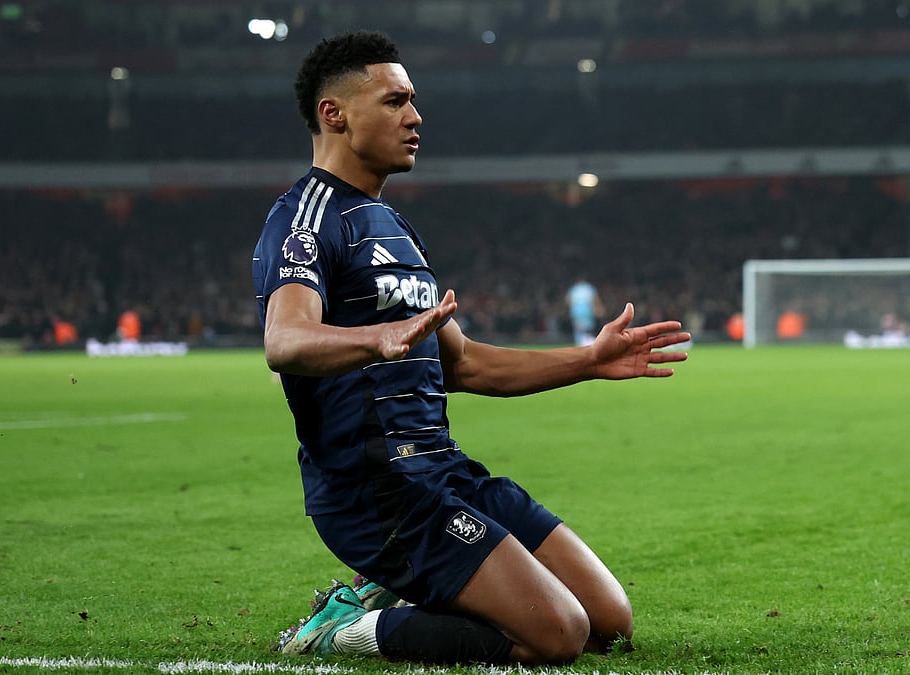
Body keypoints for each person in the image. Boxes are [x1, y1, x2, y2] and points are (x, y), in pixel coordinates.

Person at [251, 30, 691, 666]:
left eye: (413, 101)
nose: (415, 117)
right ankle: (347, 629)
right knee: (558, 635)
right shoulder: (305, 216)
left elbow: (464, 363)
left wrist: (588, 363)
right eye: (396, 101)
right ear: (334, 113)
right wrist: (378, 337)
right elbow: (284, 339)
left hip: (443, 472)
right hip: (378, 490)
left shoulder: (394, 226)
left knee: (608, 624)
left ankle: (395, 594)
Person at [566, 278, 604, 346]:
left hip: (577, 314)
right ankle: (587, 345)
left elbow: (568, 301)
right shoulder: (589, 288)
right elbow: (595, 300)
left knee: (580, 331)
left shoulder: (574, 289)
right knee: (586, 331)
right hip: (586, 314)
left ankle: (582, 345)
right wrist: (598, 309)